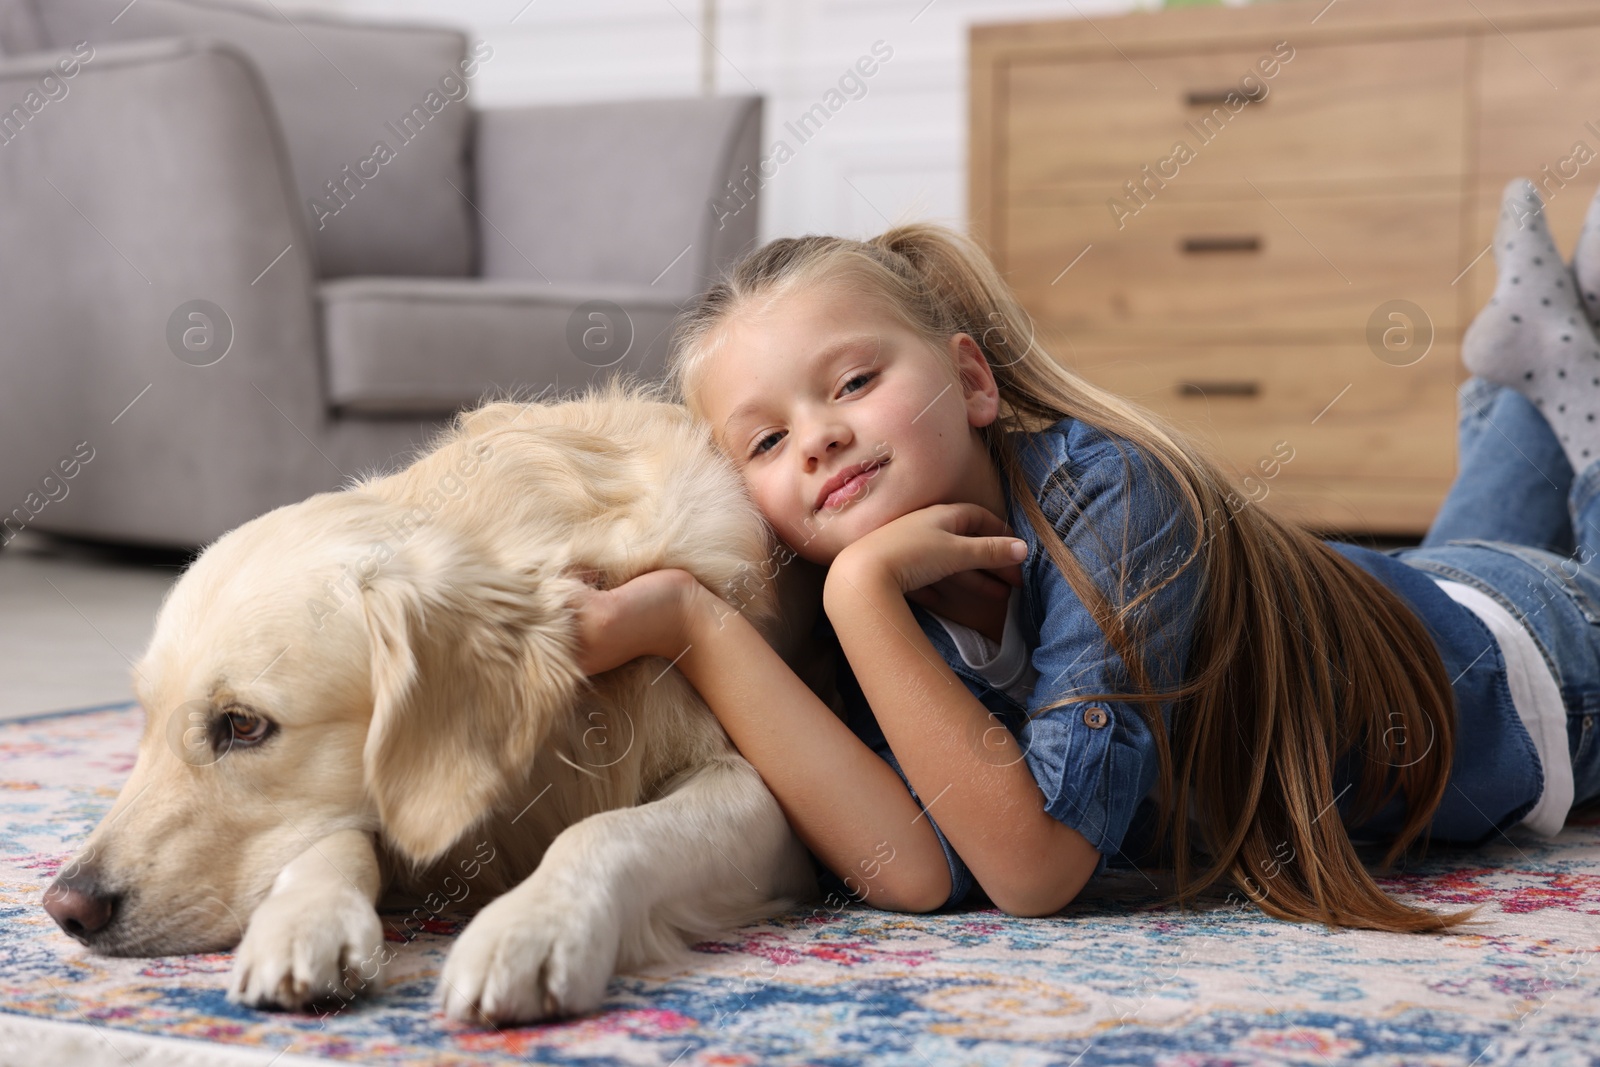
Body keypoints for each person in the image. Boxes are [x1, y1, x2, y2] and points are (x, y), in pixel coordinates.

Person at [567, 181, 1600, 934]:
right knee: (1459, 544)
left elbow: (1033, 868)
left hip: (1539, 671)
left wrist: (860, 589)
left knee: (1547, 565)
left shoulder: (1109, 489)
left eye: (850, 383)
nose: (817, 439)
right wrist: (693, 623)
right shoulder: (858, 616)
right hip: (1425, 592)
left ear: (972, 381)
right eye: (764, 440)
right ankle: (1536, 369)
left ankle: (1563, 386)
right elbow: (915, 871)